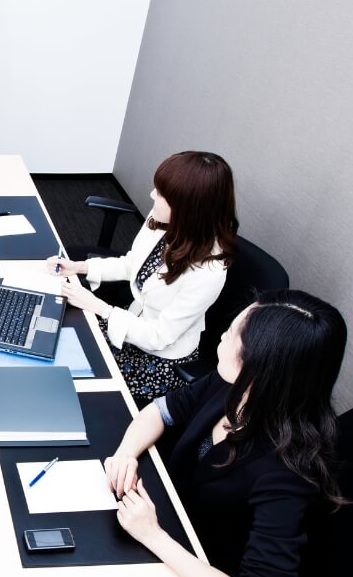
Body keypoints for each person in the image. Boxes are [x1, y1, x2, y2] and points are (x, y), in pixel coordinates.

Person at [103, 290, 348, 577]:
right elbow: (162, 411)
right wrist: (126, 453)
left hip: (206, 570)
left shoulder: (288, 473)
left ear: (261, 369)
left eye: (232, 334)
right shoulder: (234, 384)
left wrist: (153, 536)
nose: (221, 335)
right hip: (175, 518)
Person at [47, 151, 239, 403]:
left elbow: (159, 336)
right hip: (131, 323)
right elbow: (132, 264)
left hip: (158, 359)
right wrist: (78, 267)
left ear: (189, 208)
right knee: (59, 341)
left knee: (72, 382)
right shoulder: (161, 221)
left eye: (162, 194)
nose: (152, 195)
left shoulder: (208, 272)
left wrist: (101, 308)